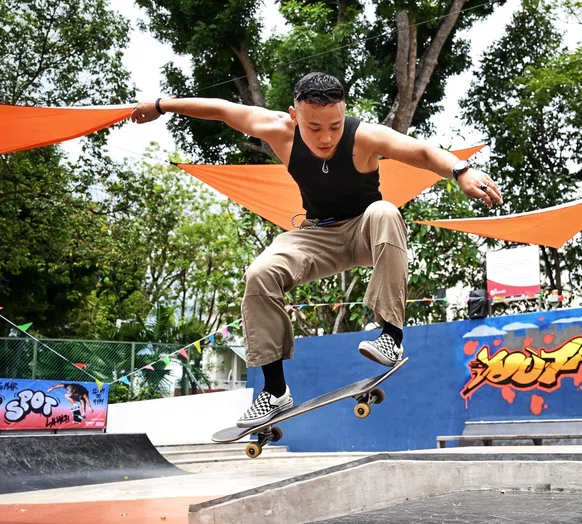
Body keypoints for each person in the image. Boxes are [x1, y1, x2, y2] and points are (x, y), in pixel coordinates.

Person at [131, 72, 503, 428]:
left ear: (344, 113)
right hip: (316, 236)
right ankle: (275, 391)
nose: (326, 138)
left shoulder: (364, 136)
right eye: (313, 128)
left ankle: (390, 336)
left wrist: (460, 170)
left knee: (386, 210)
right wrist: (161, 105)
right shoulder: (276, 129)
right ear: (295, 116)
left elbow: (420, 151)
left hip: (364, 230)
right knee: (260, 273)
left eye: (334, 126)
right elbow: (222, 109)